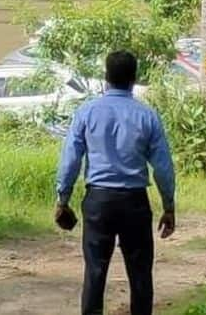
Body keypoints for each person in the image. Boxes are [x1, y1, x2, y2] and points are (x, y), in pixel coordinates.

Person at [55, 51, 176, 315]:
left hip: (98, 202)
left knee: (95, 272)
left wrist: (62, 200)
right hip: (135, 203)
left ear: (105, 77)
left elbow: (70, 161)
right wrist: (169, 207)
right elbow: (163, 167)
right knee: (140, 274)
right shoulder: (147, 116)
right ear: (135, 78)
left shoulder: (86, 112)